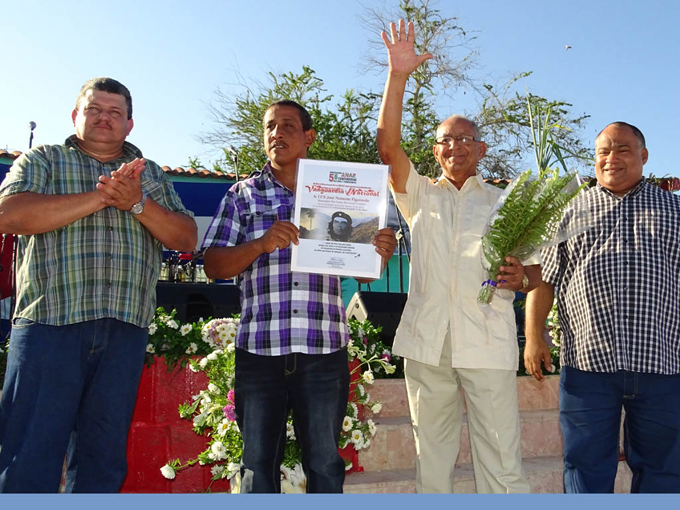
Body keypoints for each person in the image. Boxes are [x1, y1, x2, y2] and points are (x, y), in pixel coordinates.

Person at [0, 77, 197, 493]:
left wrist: (138, 202)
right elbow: (9, 214)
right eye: (94, 109)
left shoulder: (151, 174)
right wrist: (105, 197)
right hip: (48, 327)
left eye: (115, 112)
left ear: (129, 124)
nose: (104, 118)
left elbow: (185, 238)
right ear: (76, 116)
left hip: (124, 331)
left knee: (102, 462)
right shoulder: (43, 160)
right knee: (28, 456)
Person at [376, 20, 541, 494]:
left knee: (501, 456)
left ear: (481, 149)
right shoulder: (419, 195)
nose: (455, 146)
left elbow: (535, 270)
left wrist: (521, 279)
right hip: (428, 342)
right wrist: (398, 75)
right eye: (446, 140)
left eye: (465, 139)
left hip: (486, 341)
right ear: (435, 151)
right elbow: (388, 148)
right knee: (433, 458)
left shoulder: (505, 201)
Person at [202, 99, 396, 493]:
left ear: (309, 137)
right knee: (257, 464)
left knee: (325, 463)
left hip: (323, 351)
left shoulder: (338, 195)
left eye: (288, 125)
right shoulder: (242, 195)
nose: (277, 133)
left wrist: (379, 251)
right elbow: (213, 265)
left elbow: (365, 275)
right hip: (259, 351)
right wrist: (259, 244)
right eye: (271, 126)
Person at [525, 122, 680, 493]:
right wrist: (534, 334)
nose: (611, 158)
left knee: (663, 469)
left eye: (623, 150)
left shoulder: (674, 211)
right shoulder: (567, 211)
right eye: (603, 152)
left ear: (644, 156)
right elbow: (544, 278)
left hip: (662, 363)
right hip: (588, 367)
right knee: (585, 467)